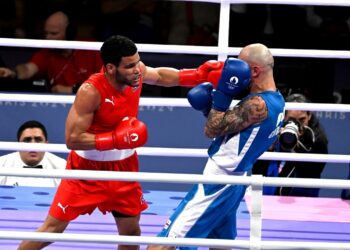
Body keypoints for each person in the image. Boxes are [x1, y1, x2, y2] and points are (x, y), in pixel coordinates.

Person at [17, 34, 225, 250]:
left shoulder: (136, 74)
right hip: (86, 171)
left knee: (131, 234)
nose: (138, 69)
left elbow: (162, 76)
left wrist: (198, 75)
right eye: (129, 66)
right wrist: (115, 139)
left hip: (124, 167)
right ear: (110, 68)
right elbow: (72, 139)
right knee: (51, 231)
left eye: (138, 62)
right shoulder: (91, 91)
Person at [147, 43, 285, 250]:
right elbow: (230, 130)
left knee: (166, 242)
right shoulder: (277, 100)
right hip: (238, 178)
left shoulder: (257, 104)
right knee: (220, 243)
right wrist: (208, 109)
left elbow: (211, 129)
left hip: (219, 182)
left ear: (255, 71)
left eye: (242, 65)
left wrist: (222, 95)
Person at [0, 11, 102, 94]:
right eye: (46, 33)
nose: (48, 38)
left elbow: (107, 83)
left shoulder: (91, 48)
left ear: (69, 32)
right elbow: (27, 69)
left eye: (54, 33)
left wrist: (71, 90)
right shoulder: (47, 52)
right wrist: (13, 73)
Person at [252, 93, 329, 197]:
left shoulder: (318, 138)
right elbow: (257, 171)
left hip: (304, 195)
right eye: (291, 120)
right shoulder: (273, 130)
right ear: (283, 116)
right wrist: (270, 146)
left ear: (309, 116)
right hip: (271, 196)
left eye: (302, 120)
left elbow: (313, 172)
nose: (297, 124)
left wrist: (297, 145)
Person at [0, 120, 66, 187]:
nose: (33, 145)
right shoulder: (1, 165)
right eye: (27, 140)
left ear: (46, 144)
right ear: (18, 145)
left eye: (38, 140)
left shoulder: (62, 167)